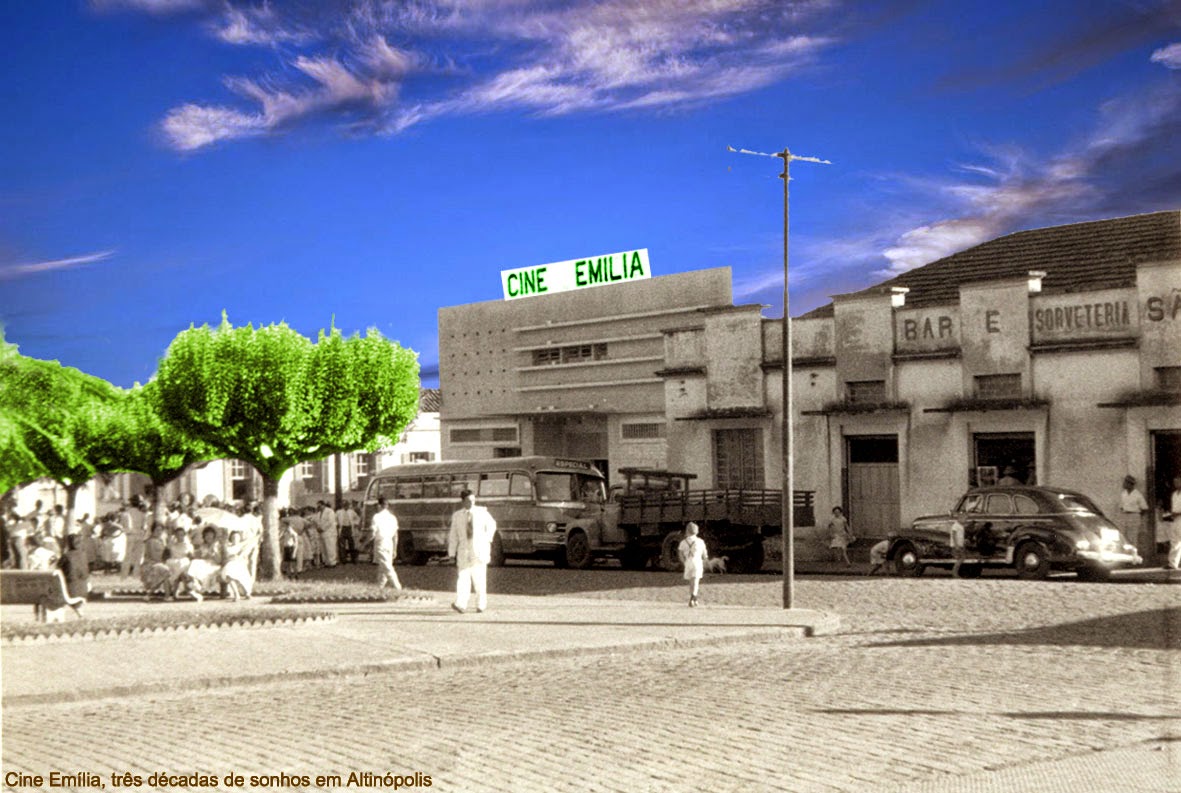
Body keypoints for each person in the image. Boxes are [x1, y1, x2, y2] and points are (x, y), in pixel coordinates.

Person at [447, 489, 497, 614]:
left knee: (479, 579)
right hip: (464, 551)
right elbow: (453, 535)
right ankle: (461, 604)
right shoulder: (457, 516)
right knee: (463, 578)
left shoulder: (482, 512)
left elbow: (492, 525)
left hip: (479, 550)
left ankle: (481, 605)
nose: (472, 503)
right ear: (463, 501)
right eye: (469, 500)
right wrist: (451, 553)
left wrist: (487, 539)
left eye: (473, 500)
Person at [371, 497, 403, 594]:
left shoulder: (376, 517)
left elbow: (372, 533)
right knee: (383, 568)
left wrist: (363, 544)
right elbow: (396, 535)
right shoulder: (392, 517)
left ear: (379, 505)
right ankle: (379, 588)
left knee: (387, 567)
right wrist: (395, 549)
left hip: (381, 543)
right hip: (390, 543)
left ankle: (398, 587)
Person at [677, 522, 709, 607]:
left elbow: (680, 553)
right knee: (696, 581)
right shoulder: (700, 541)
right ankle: (692, 598)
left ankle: (695, 599)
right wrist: (706, 562)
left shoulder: (683, 542)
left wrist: (684, 562)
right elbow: (705, 555)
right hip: (697, 561)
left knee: (691, 581)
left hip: (688, 562)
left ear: (687, 531)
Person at [1117, 475, 1149, 553]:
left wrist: (1137, 515)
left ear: (1130, 484)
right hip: (1124, 515)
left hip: (1134, 516)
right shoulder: (1123, 493)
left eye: (1125, 482)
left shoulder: (1137, 495)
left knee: (1133, 536)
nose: (1124, 484)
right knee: (1123, 535)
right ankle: (1124, 553)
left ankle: (1133, 554)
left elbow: (1145, 508)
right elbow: (1121, 506)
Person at [220, 529, 253, 601]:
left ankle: (246, 592)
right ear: (231, 539)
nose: (235, 539)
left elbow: (243, 556)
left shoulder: (242, 546)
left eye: (237, 537)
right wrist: (233, 556)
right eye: (234, 537)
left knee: (243, 581)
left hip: (239, 564)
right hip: (230, 564)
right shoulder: (228, 547)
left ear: (239, 538)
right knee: (228, 573)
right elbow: (227, 557)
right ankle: (236, 594)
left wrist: (240, 554)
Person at [58, 534, 90, 602]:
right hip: (83, 589)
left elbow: (58, 567)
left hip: (70, 590)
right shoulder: (83, 555)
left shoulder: (66, 556)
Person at [1164, 476, 1181, 571]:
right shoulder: (1174, 494)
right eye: (1175, 482)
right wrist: (1171, 514)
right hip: (1175, 519)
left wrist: (1177, 513)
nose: (1176, 484)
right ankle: (1173, 563)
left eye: (1178, 482)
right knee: (1175, 541)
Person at [318, 500, 339, 567]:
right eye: (318, 506)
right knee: (324, 549)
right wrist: (318, 528)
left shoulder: (330, 511)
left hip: (330, 532)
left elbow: (330, 522)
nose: (319, 507)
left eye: (320, 506)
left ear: (323, 505)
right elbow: (318, 521)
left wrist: (323, 528)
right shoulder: (319, 513)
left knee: (330, 547)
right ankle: (326, 562)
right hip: (322, 533)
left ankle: (332, 562)